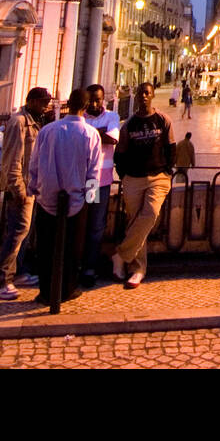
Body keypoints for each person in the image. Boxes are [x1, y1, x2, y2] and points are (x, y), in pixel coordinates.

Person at [28, 88, 101, 305]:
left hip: (46, 199)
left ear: (68, 103)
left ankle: (46, 291)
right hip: (76, 201)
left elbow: (34, 163)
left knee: (45, 247)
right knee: (72, 249)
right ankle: (67, 289)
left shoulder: (48, 131)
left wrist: (34, 188)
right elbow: (93, 173)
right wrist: (91, 202)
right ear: (85, 107)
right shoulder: (91, 135)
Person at [0, 87, 51, 300]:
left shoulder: (34, 121)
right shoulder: (18, 122)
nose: (46, 107)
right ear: (31, 101)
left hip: (32, 186)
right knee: (17, 232)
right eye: (43, 102)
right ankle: (0, 280)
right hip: (21, 188)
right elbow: (13, 158)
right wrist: (18, 188)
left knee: (25, 232)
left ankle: (19, 272)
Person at [112, 82, 176, 288]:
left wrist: (167, 170)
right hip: (133, 178)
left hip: (158, 177)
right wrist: (124, 176)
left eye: (147, 93)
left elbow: (171, 147)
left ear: (153, 95)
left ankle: (121, 255)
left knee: (150, 214)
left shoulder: (163, 120)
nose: (144, 96)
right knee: (135, 222)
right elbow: (120, 153)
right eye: (141, 93)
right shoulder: (129, 124)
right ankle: (137, 269)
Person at [80, 84, 120, 288]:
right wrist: (99, 132)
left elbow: (112, 139)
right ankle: (77, 264)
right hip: (81, 180)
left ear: (103, 99)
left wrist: (89, 133)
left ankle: (89, 267)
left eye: (98, 100)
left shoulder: (112, 116)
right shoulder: (80, 117)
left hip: (97, 181)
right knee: (80, 223)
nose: (94, 104)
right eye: (91, 100)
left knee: (95, 225)